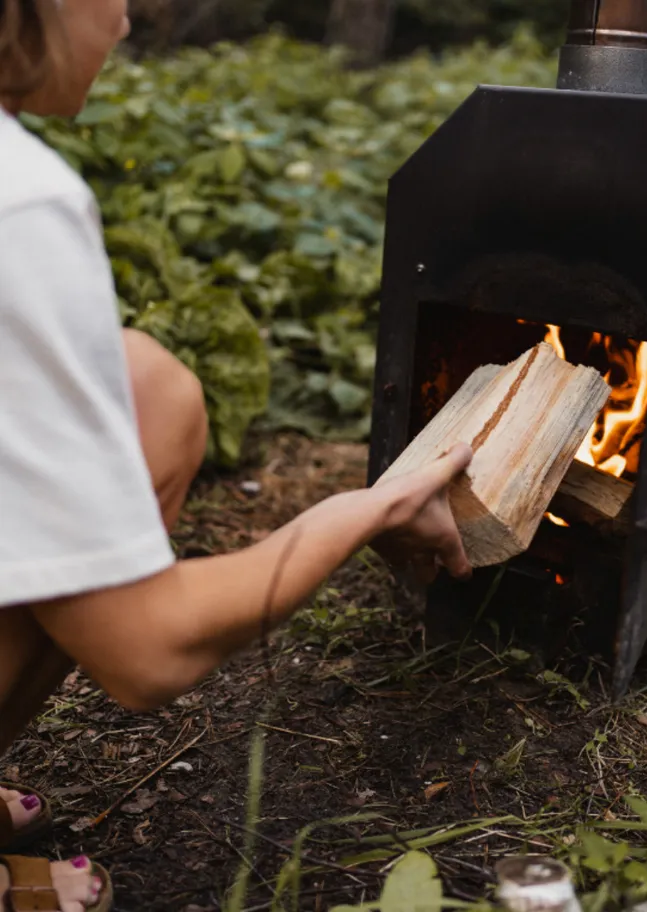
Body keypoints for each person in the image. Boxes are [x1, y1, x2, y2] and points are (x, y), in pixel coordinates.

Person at [0, 1, 473, 908]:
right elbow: (146, 654)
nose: (128, 20)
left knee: (153, 391)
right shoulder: (21, 198)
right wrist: (363, 509)